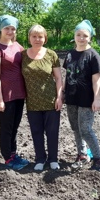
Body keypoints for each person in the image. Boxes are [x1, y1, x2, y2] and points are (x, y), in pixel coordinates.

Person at [63, 19, 100, 171]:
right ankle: (82, 155)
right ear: (74, 36)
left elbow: (97, 81)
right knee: (75, 128)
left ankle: (99, 159)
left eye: (85, 35)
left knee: (86, 129)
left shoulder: (93, 55)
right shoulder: (70, 54)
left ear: (90, 37)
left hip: (86, 100)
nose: (81, 38)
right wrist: (63, 93)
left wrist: (96, 99)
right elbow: (67, 76)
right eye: (78, 35)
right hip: (71, 98)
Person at [0, 14, 29, 170]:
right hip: (6, 94)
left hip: (19, 93)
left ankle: (14, 154)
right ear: (0, 29)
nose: (10, 31)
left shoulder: (18, 46)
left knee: (14, 126)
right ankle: (7, 158)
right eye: (7, 28)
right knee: (6, 127)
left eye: (13, 29)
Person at [22, 25, 62, 171]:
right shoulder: (23, 55)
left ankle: (53, 159)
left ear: (45, 38)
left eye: (40, 36)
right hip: (32, 102)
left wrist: (59, 97)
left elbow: (58, 78)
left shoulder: (51, 55)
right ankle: (40, 158)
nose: (37, 39)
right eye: (34, 36)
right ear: (29, 38)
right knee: (36, 132)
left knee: (52, 132)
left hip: (51, 101)